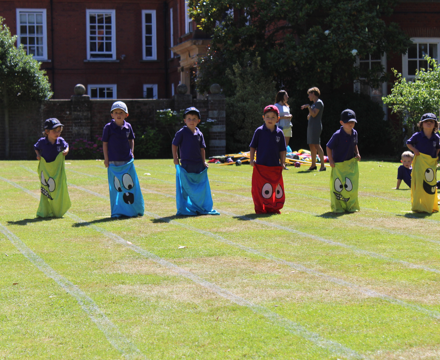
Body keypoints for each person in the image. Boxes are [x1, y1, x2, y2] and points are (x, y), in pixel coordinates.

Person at [172, 107, 219, 215]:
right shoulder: (182, 132)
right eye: (189, 118)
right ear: (184, 120)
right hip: (186, 165)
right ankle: (185, 208)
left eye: (194, 119)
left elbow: (202, 149)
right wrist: (176, 158)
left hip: (198, 165)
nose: (191, 121)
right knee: (185, 188)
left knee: (199, 187)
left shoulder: (199, 134)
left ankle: (199, 206)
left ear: (198, 121)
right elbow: (174, 145)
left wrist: (203, 162)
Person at [102, 101, 144, 217]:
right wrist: (106, 159)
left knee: (129, 185)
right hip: (113, 162)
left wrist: (132, 151)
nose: (118, 114)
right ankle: (118, 211)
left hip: (127, 161)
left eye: (121, 112)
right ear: (112, 115)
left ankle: (133, 209)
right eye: (116, 112)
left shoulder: (128, 126)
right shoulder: (108, 128)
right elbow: (105, 143)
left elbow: (131, 140)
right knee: (117, 187)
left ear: (126, 115)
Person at [249, 105, 287, 214]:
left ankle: (272, 207)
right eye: (268, 117)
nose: (270, 119)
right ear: (263, 117)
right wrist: (252, 160)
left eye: (273, 117)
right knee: (259, 189)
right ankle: (260, 208)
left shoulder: (279, 133)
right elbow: (252, 146)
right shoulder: (259, 131)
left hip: (274, 166)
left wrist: (283, 163)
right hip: (261, 166)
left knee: (272, 188)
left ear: (277, 119)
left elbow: (282, 150)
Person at [34, 118, 71, 217]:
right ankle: (45, 211)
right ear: (47, 131)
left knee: (57, 188)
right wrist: (38, 155)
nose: (57, 133)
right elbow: (36, 148)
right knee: (46, 190)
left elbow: (66, 146)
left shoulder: (60, 141)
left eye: (59, 131)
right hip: (46, 170)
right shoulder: (42, 141)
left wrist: (66, 150)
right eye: (54, 131)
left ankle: (57, 210)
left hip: (57, 170)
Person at [326, 109, 361, 213]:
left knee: (351, 186)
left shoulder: (354, 133)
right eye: (348, 122)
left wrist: (357, 153)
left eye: (352, 122)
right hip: (339, 164)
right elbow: (328, 147)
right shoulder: (337, 135)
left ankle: (351, 206)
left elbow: (355, 144)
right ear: (341, 123)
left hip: (350, 164)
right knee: (339, 186)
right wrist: (331, 160)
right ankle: (339, 207)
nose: (350, 124)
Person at [406, 113, 440, 213]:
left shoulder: (436, 137)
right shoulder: (418, 136)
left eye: (431, 122)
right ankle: (419, 205)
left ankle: (429, 205)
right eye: (426, 122)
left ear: (435, 125)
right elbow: (408, 143)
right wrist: (415, 150)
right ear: (421, 124)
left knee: (430, 184)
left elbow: (438, 148)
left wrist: (436, 156)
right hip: (420, 163)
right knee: (420, 183)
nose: (429, 123)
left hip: (431, 164)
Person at [301, 87, 326, 171]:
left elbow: (314, 114)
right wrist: (309, 110)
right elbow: (309, 116)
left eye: (309, 94)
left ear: (313, 94)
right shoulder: (314, 104)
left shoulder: (319, 103)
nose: (308, 96)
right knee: (311, 145)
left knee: (316, 144)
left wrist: (308, 107)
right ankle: (313, 165)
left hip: (316, 126)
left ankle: (323, 166)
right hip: (311, 126)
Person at [274, 90, 293, 169]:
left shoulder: (287, 106)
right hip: (279, 128)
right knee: (277, 146)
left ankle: (283, 164)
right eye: (286, 95)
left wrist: (290, 117)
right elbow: (274, 117)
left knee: (285, 146)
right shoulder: (276, 106)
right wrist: (286, 117)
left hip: (287, 128)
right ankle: (276, 162)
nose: (287, 97)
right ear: (282, 96)